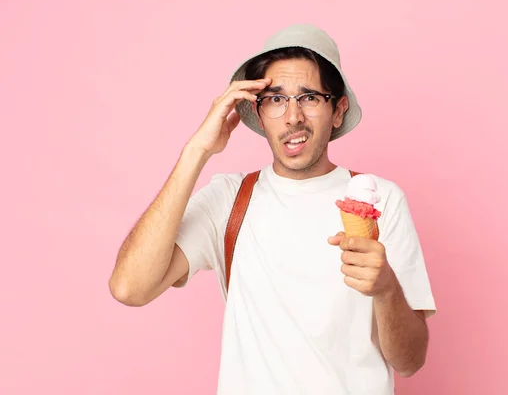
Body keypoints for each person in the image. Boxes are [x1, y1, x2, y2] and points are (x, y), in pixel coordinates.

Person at [109, 23, 437, 394]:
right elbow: (129, 288)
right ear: (257, 112)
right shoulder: (229, 199)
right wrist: (197, 150)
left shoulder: (382, 200)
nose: (293, 117)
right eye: (276, 99)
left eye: (310, 97)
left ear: (339, 110)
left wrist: (386, 288)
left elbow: (410, 361)